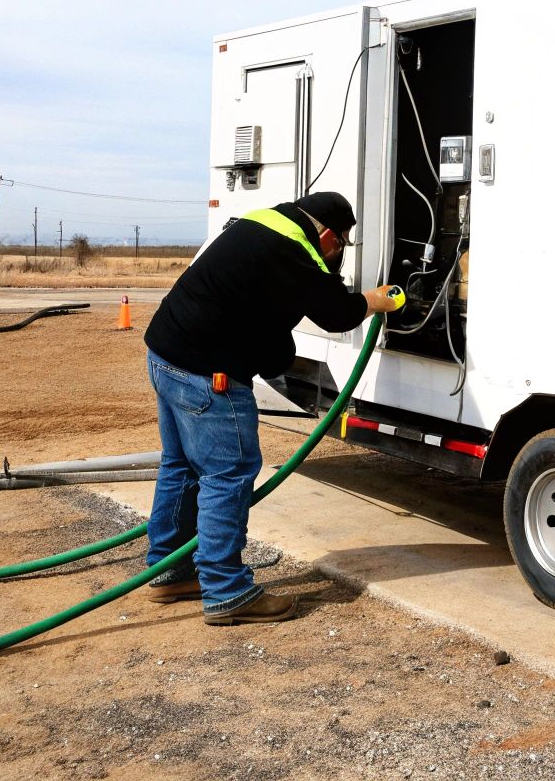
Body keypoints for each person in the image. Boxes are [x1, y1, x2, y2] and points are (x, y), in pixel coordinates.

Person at [141, 191, 402, 624]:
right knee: (228, 475)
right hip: (209, 373)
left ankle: (170, 571)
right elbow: (337, 314)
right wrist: (376, 300)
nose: (337, 253)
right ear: (325, 232)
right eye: (340, 243)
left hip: (166, 354)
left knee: (182, 466)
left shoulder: (266, 222)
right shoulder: (297, 250)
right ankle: (227, 592)